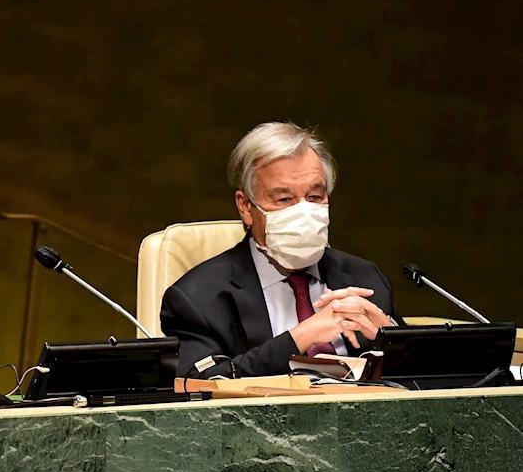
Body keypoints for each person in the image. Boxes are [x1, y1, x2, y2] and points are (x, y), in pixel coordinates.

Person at [160, 122, 400, 377]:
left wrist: (393, 342)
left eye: (315, 197)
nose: (304, 212)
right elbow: (196, 384)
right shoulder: (198, 298)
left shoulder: (365, 277)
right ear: (245, 207)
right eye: (284, 199)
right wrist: (299, 338)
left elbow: (422, 384)